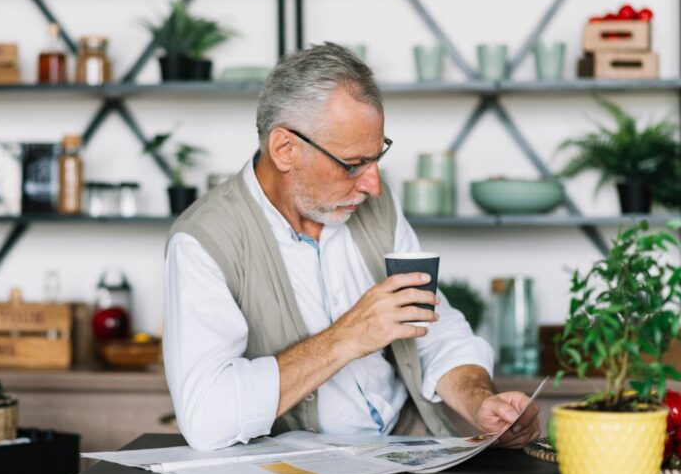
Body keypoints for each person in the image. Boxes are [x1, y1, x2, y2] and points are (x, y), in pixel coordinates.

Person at [163, 42, 540, 451]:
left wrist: (480, 401)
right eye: (353, 164)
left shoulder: (374, 204)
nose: (373, 185)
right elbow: (205, 416)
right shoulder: (203, 241)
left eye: (377, 158)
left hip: (405, 458)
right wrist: (346, 337)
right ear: (285, 149)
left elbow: (433, 327)